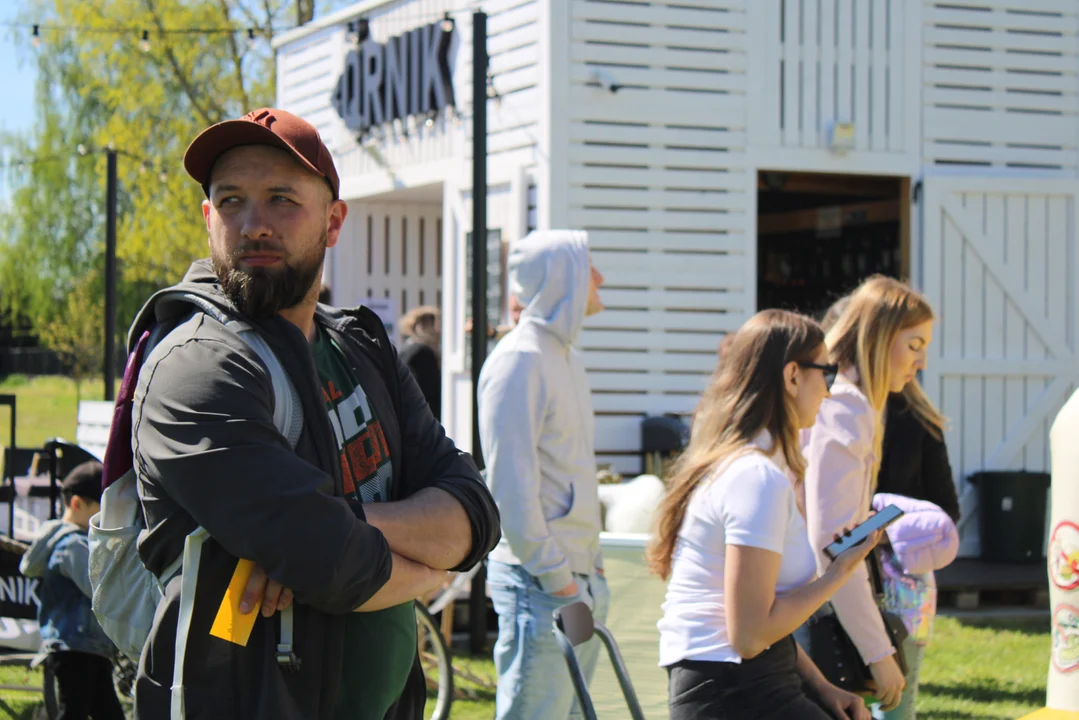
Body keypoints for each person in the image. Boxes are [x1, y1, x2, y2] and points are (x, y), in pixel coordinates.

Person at [128, 107, 501, 719]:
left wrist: (348, 523)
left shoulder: (361, 349)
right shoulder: (197, 370)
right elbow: (334, 563)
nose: (253, 225)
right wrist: (437, 563)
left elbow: (476, 508)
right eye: (230, 202)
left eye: (281, 199)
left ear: (333, 222)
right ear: (206, 218)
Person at [649, 310, 876, 720]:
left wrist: (823, 687)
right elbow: (750, 636)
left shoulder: (745, 468)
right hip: (733, 691)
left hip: (746, 681)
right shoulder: (755, 479)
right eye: (826, 374)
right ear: (792, 376)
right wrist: (838, 573)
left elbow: (762, 625)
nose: (828, 392)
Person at [477, 230, 608, 720]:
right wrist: (561, 581)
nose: (599, 278)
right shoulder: (519, 361)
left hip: (572, 578)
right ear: (563, 278)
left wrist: (587, 570)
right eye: (588, 265)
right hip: (543, 585)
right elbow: (510, 489)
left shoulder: (563, 358)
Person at [819, 294, 961, 720]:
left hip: (858, 591)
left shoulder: (847, 409)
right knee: (896, 705)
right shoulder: (847, 410)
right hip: (883, 589)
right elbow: (946, 512)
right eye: (915, 347)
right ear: (876, 338)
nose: (921, 363)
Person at [20, 461, 125, 720]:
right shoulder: (72, 546)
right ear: (77, 505)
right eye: (103, 511)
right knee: (73, 712)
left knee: (107, 713)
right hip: (74, 647)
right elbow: (98, 589)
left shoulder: (76, 543)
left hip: (90, 647)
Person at [398, 305, 441, 419]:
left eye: (432, 323)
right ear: (415, 326)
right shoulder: (423, 351)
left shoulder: (404, 348)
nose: (433, 329)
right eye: (426, 323)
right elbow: (431, 390)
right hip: (424, 415)